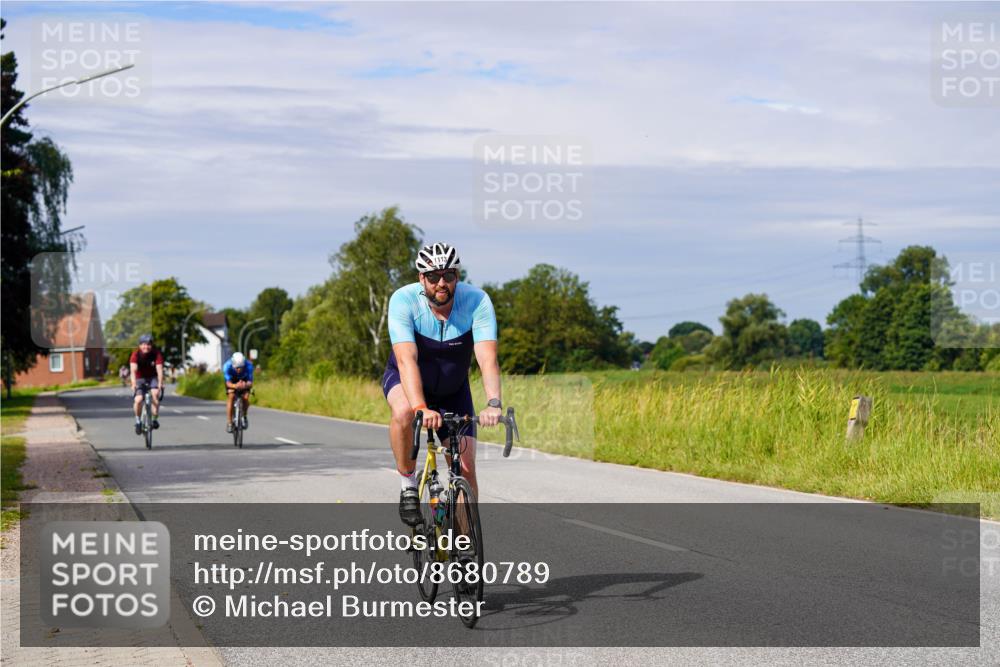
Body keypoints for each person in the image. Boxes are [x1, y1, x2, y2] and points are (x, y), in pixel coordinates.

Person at [383, 242, 503, 526]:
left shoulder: (477, 301)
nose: (441, 283)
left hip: (453, 390)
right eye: (433, 276)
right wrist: (421, 406)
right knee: (403, 413)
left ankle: (464, 550)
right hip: (405, 380)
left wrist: (494, 403)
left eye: (448, 275)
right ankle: (408, 485)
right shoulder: (403, 300)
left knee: (465, 469)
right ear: (421, 278)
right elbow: (406, 360)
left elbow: (487, 359)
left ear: (457, 277)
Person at [130, 334, 164, 434]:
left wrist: (160, 384)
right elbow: (133, 371)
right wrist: (133, 384)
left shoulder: (156, 354)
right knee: (138, 399)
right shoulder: (135, 355)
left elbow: (160, 370)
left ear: (151, 345)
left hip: (152, 377)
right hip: (139, 378)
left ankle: (154, 419)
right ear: (140, 345)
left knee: (155, 394)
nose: (146, 347)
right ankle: (138, 421)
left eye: (149, 344)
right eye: (144, 344)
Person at [223, 352, 254, 433]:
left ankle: (244, 416)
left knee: (246, 397)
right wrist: (234, 386)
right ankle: (229, 423)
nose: (239, 370)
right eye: (237, 368)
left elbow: (250, 382)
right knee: (231, 396)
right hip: (232, 381)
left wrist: (245, 385)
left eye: (241, 367)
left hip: (244, 381)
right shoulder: (227, 366)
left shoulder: (249, 366)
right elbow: (228, 383)